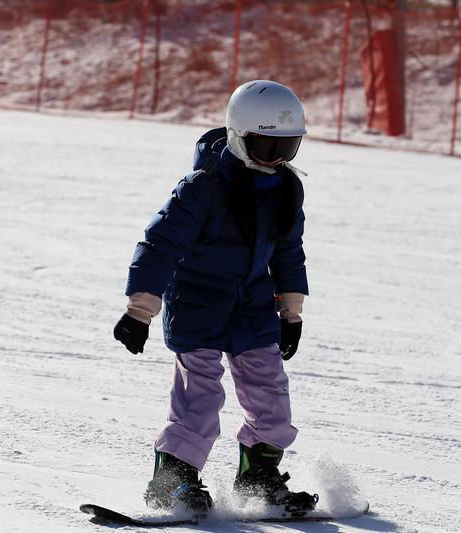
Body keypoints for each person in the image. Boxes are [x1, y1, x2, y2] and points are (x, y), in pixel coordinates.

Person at [114, 80, 318, 515]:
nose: (277, 160)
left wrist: (291, 310)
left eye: (288, 147)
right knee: (199, 396)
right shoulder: (202, 187)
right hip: (198, 302)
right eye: (267, 148)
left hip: (252, 305)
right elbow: (159, 245)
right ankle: (174, 480)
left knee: (271, 394)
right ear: (239, 137)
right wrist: (140, 310)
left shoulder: (285, 189)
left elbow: (288, 250)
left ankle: (258, 477)